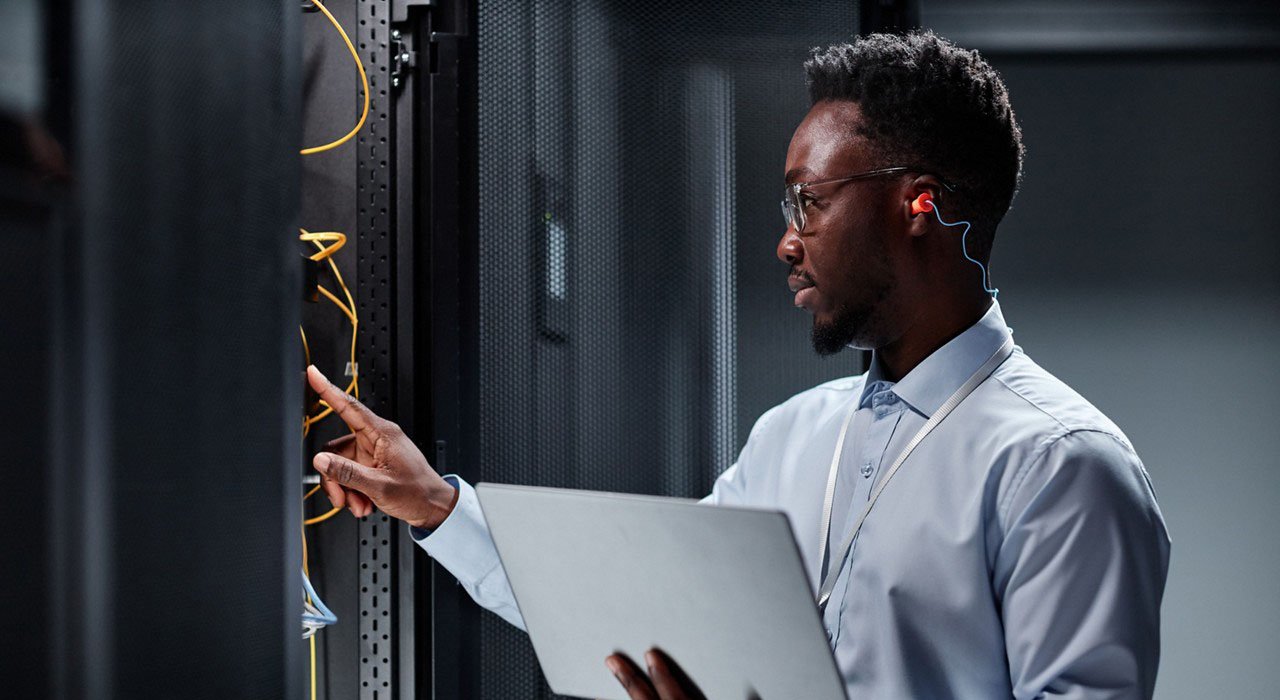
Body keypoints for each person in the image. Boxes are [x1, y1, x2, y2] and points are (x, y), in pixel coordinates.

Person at [306, 30, 1171, 700]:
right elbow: (633, 616)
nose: (787, 241)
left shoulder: (1060, 465)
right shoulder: (792, 437)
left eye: (810, 200)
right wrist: (437, 507)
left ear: (922, 204)